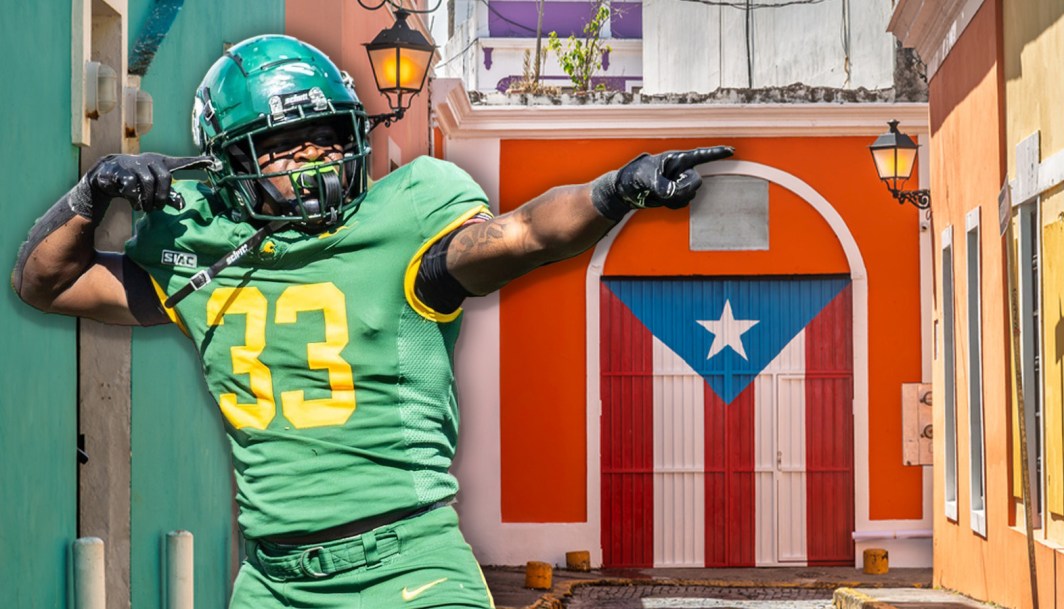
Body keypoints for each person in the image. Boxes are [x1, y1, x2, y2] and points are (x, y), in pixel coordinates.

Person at [11, 34, 732, 609]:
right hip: (273, 580)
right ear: (231, 161)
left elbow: (525, 234)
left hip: (408, 566)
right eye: (287, 145)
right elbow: (43, 282)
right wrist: (89, 193)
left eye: (327, 135)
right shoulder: (202, 255)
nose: (318, 157)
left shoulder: (406, 219)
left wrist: (614, 189)